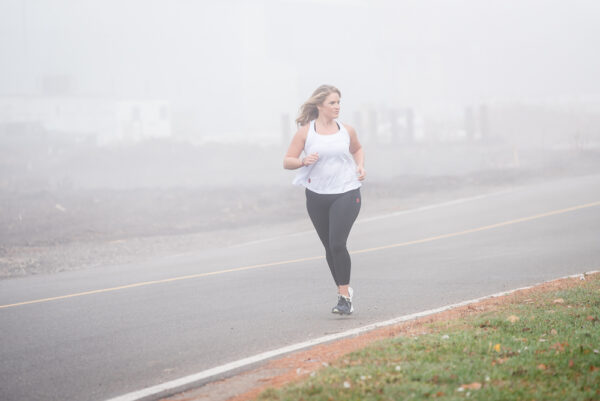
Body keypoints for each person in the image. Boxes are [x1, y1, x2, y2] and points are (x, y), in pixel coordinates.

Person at [283, 84, 366, 315]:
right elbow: (287, 160)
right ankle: (343, 294)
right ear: (320, 105)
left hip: (347, 191)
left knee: (338, 243)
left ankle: (344, 296)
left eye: (339, 102)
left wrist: (360, 165)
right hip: (317, 196)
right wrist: (303, 161)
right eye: (332, 102)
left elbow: (357, 149)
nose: (337, 106)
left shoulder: (346, 130)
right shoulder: (305, 132)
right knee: (329, 247)